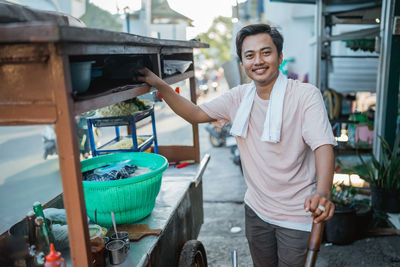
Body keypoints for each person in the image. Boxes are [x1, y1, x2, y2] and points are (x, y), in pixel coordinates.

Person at [137, 23, 337, 267]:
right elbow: (196, 113)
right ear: (242, 64)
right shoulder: (238, 97)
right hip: (257, 210)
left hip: (297, 213)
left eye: (266, 52)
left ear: (280, 56)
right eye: (249, 55)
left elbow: (323, 144)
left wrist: (323, 192)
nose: (258, 61)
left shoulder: (306, 95)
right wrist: (161, 86)